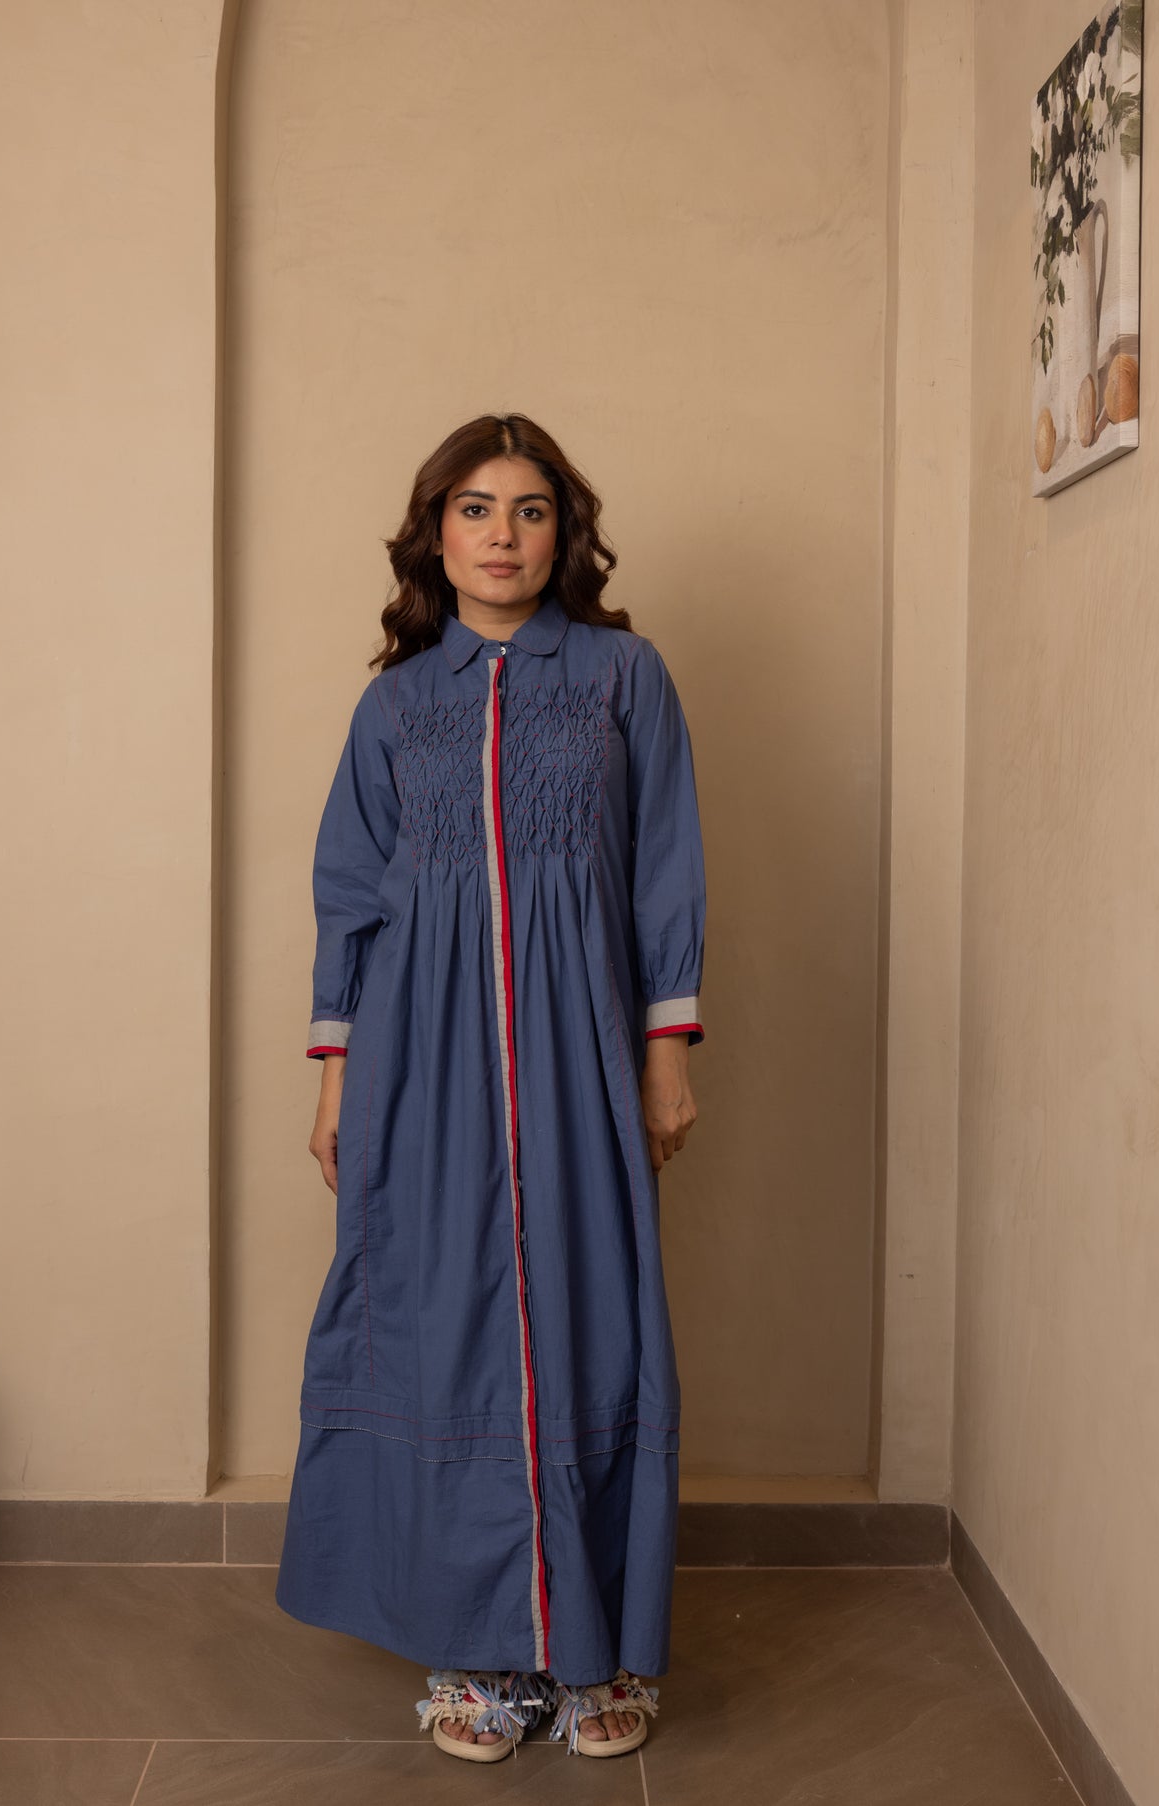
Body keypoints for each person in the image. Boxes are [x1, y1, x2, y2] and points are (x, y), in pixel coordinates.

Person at [275, 412, 707, 1763]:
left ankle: (592, 1653)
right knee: (441, 1322)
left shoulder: (625, 676)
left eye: (528, 509)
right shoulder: (397, 704)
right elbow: (349, 894)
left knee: (585, 1318)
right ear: (437, 534)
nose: (502, 535)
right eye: (474, 509)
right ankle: (476, 1652)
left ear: (562, 533)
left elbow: (666, 867)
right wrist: (338, 1080)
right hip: (423, 1053)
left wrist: (667, 1051)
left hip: (581, 1046)